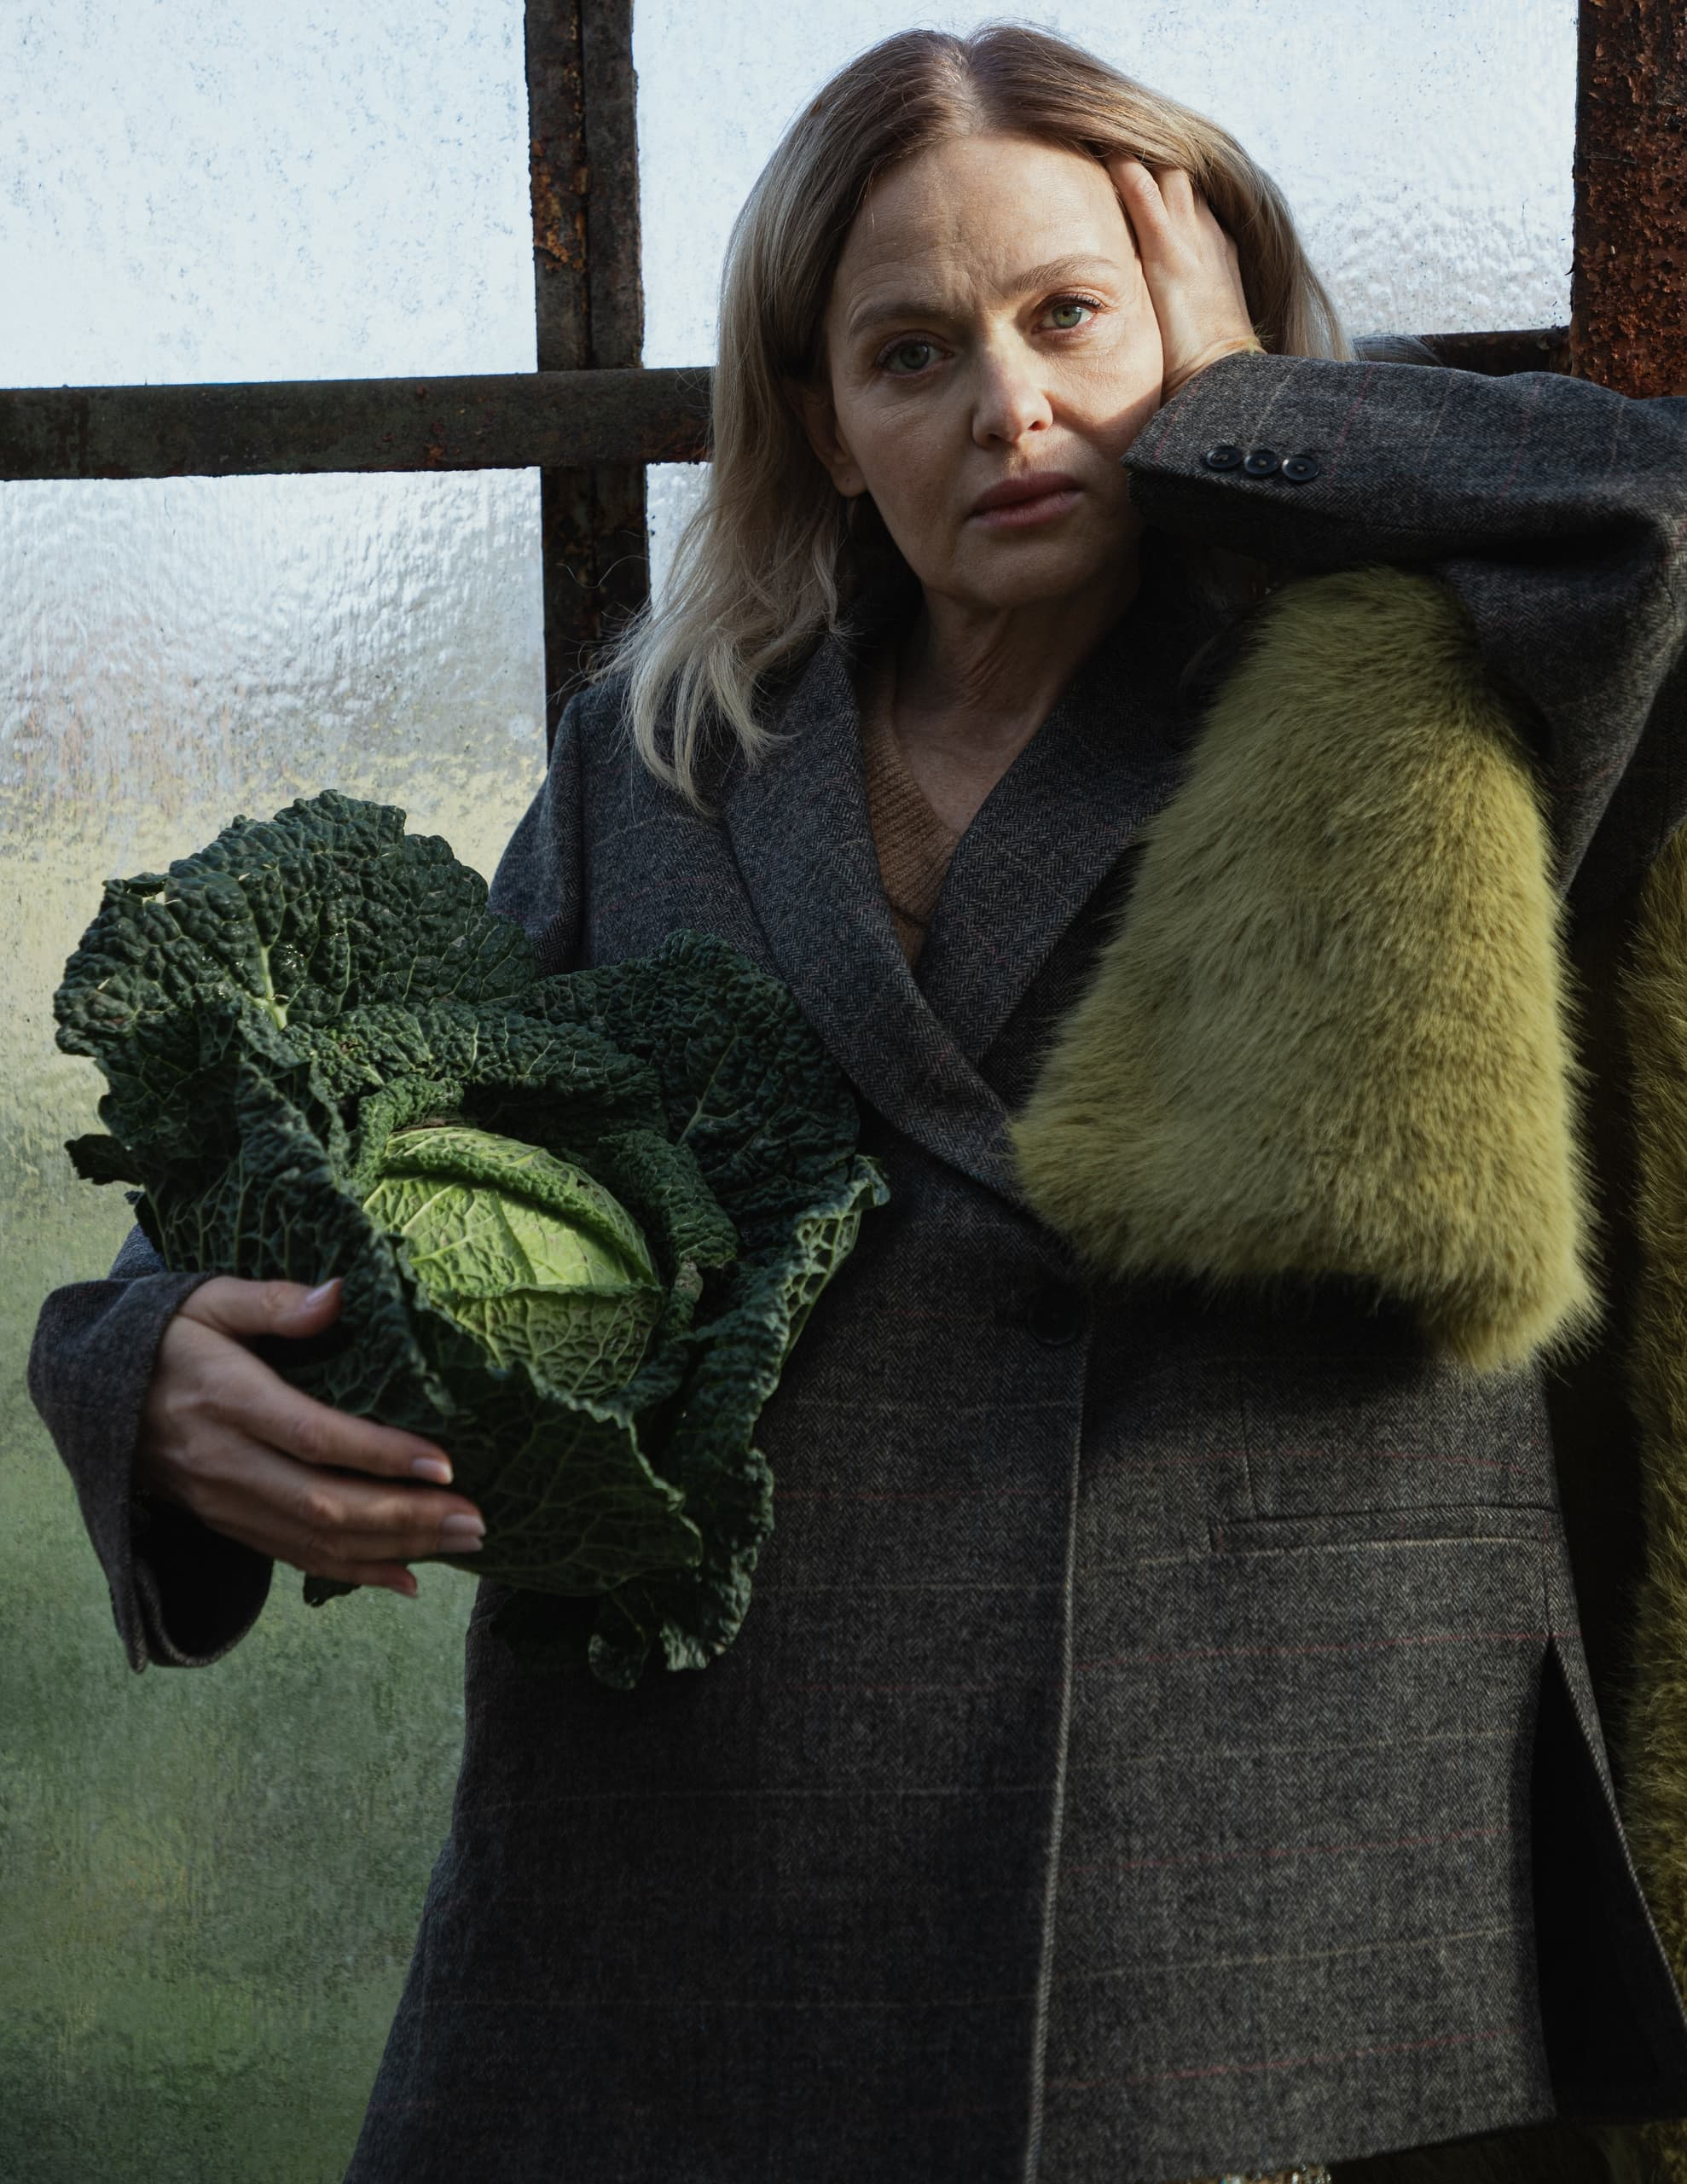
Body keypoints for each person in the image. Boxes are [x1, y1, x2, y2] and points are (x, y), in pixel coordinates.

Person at [29, 24, 1687, 2183]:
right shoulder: (674, 761)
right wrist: (136, 1360)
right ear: (819, 421)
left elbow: (1645, 509)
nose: (1008, 407)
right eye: (910, 351)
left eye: (1068, 316)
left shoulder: (1404, 674)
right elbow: (354, 1125)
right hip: (683, 1896)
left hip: (1270, 1921)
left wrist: (1239, 395)